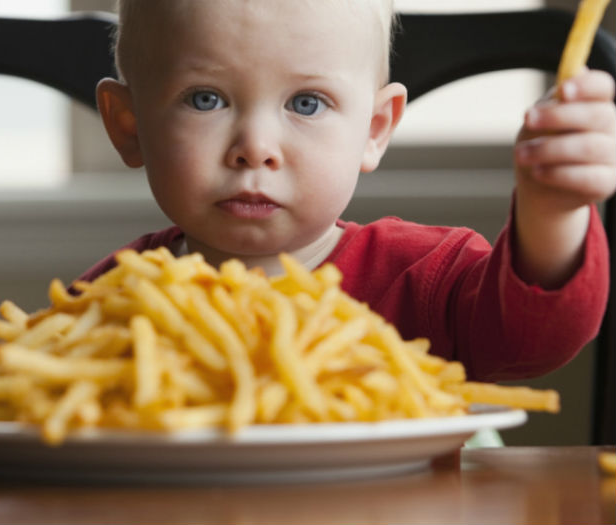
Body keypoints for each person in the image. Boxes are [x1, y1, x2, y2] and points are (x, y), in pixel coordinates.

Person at [55, 1, 616, 382]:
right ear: (129, 126)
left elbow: (533, 338)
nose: (256, 147)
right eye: (206, 99)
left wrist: (551, 212)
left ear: (374, 131)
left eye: (306, 103)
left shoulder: (424, 282)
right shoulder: (110, 302)